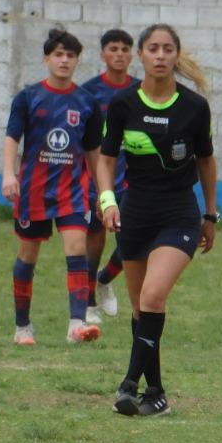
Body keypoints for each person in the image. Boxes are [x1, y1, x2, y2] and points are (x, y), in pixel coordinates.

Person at [96, 24, 218, 417]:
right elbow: (106, 159)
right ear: (141, 56)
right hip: (135, 214)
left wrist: (210, 213)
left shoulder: (194, 107)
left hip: (179, 213)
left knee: (152, 298)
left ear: (176, 55)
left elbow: (206, 161)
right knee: (139, 310)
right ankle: (158, 393)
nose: (161, 55)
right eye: (153, 48)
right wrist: (107, 199)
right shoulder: (123, 104)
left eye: (168, 49)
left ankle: (128, 385)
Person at [1, 27, 104, 347]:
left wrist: (104, 192)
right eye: (58, 55)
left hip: (71, 191)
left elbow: (94, 152)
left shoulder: (87, 102)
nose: (64, 61)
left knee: (77, 251)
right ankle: (23, 327)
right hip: (33, 190)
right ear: (46, 58)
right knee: (27, 257)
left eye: (70, 56)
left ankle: (76, 324)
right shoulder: (28, 97)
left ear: (77, 61)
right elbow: (12, 138)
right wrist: (8, 174)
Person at [80, 28, 139, 323]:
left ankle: (104, 279)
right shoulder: (88, 92)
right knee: (96, 237)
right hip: (97, 177)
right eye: (113, 48)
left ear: (133, 55)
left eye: (125, 49)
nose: (119, 54)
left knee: (133, 240)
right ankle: (89, 302)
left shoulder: (142, 90)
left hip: (135, 177)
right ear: (103, 54)